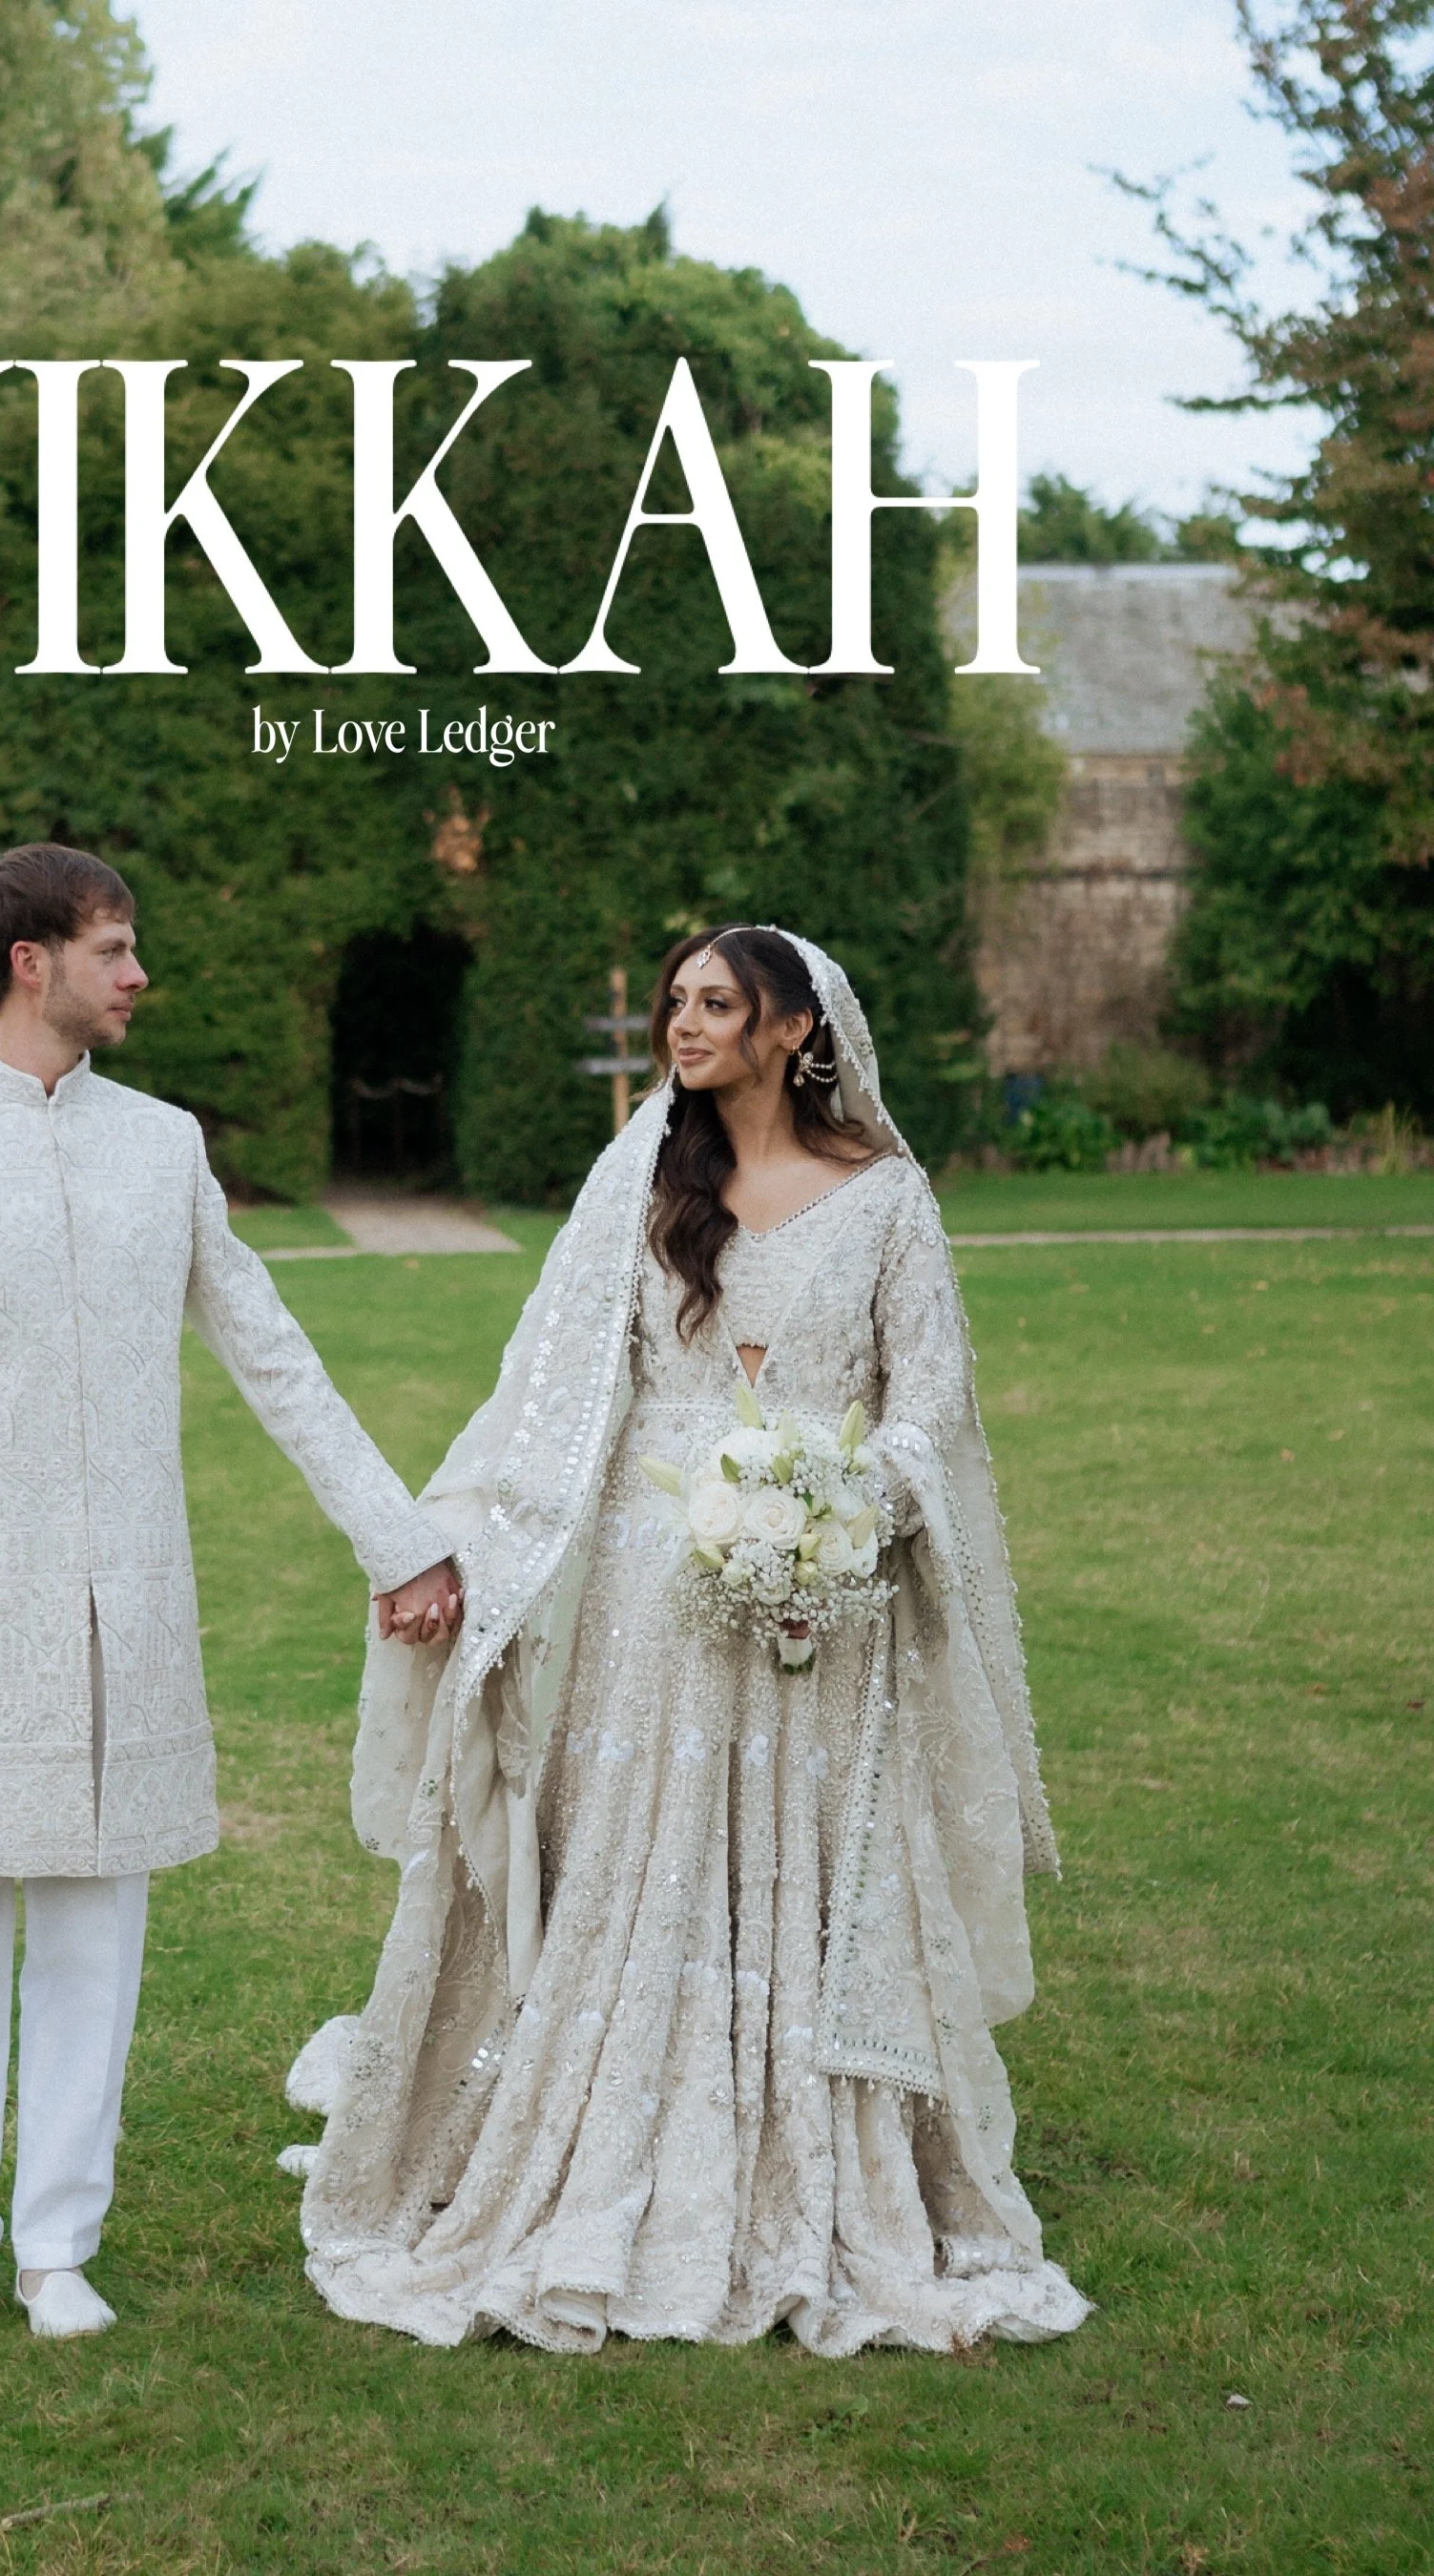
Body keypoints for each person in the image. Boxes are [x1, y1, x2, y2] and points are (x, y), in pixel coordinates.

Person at [291, 924, 1091, 2355]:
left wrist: (842, 1515)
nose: (685, 1024)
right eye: (678, 1003)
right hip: (649, 1609)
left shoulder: (888, 1199)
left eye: (717, 1004)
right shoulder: (642, 1183)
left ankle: (823, 2166)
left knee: (811, 1864)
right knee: (642, 1860)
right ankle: (606, 2146)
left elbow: (933, 1409)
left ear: (796, 1031)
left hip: (819, 1595)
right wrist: (459, 1543)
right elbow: (540, 1399)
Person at [0, 841, 462, 2342]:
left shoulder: (161, 1147)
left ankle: (56, 2250)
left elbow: (274, 1356)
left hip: (125, 1618)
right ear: (30, 962)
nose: (139, 974)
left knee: (96, 1946)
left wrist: (400, 1537)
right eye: (116, 948)